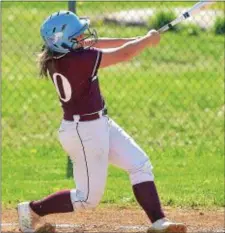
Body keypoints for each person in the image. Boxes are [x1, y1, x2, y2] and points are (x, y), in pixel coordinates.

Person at [17, 10, 187, 233]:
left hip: (97, 124)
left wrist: (138, 40)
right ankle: (31, 210)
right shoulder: (78, 60)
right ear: (63, 41)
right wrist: (145, 42)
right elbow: (123, 55)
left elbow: (100, 44)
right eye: (77, 35)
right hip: (84, 132)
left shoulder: (58, 55)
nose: (84, 37)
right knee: (87, 198)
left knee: (139, 164)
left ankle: (159, 222)